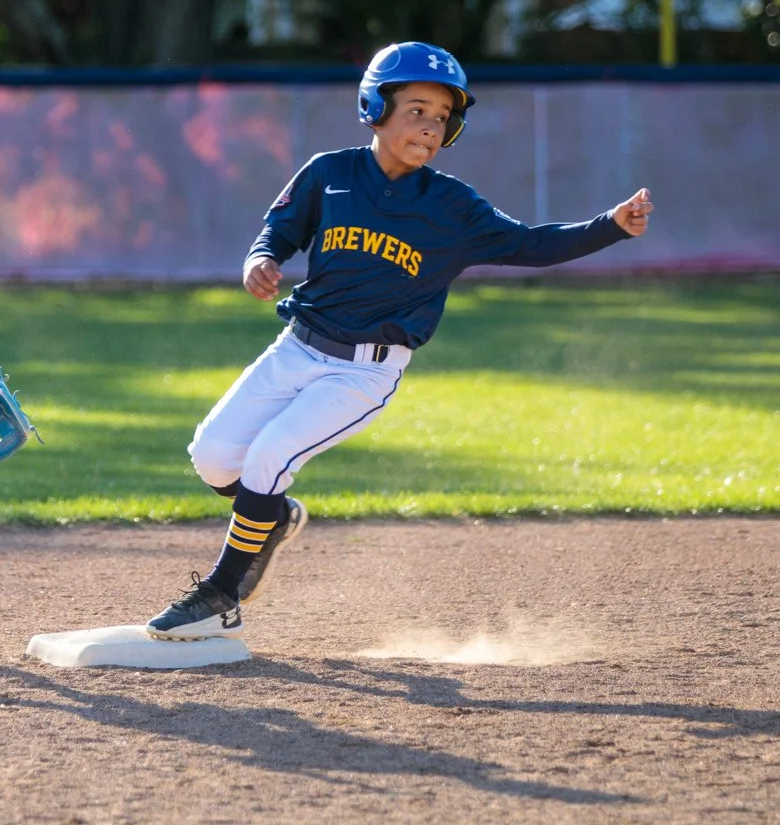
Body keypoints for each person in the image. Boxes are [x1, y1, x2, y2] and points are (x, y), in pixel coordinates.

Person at [146, 41, 654, 640]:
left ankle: (222, 595)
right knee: (212, 454)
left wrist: (610, 227)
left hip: (363, 372)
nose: (430, 126)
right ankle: (273, 518)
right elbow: (278, 231)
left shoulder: (452, 207)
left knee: (268, 457)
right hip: (297, 346)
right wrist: (260, 259)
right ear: (375, 107)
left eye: (442, 117)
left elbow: (532, 245)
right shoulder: (329, 173)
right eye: (416, 109)